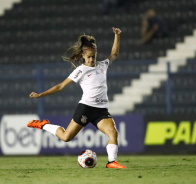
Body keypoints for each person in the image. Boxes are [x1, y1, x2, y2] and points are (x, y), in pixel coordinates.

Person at [27, 27, 126, 169]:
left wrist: (117, 36)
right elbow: (60, 86)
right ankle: (43, 124)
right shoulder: (80, 70)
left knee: (113, 132)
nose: (91, 60)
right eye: (89, 57)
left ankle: (111, 162)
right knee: (66, 137)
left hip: (101, 110)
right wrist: (40, 94)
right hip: (86, 108)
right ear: (83, 56)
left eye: (93, 56)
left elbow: (114, 53)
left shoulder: (102, 65)